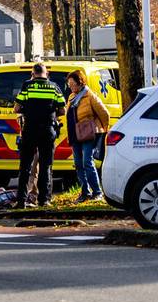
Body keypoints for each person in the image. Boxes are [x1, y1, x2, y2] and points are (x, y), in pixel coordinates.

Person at [12, 62, 65, 208]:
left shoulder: (27, 86)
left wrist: (28, 109)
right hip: (48, 130)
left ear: (33, 73)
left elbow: (16, 108)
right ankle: (44, 200)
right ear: (46, 73)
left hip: (30, 130)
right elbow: (63, 110)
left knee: (25, 166)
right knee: (46, 165)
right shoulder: (54, 87)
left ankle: (21, 200)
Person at [65, 69, 110, 202]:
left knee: (87, 162)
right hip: (75, 135)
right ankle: (85, 192)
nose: (71, 87)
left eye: (73, 84)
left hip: (88, 134)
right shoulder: (71, 97)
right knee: (78, 164)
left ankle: (97, 192)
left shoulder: (90, 95)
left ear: (80, 83)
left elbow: (104, 114)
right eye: (69, 85)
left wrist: (101, 130)